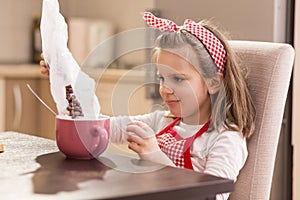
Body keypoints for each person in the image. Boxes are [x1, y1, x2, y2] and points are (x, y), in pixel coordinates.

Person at [40, 12, 256, 199]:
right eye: (162, 79)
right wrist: (65, 81)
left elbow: (212, 195)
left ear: (213, 82)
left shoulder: (225, 139)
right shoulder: (159, 122)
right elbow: (101, 129)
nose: (165, 89)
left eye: (178, 79)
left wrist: (157, 158)